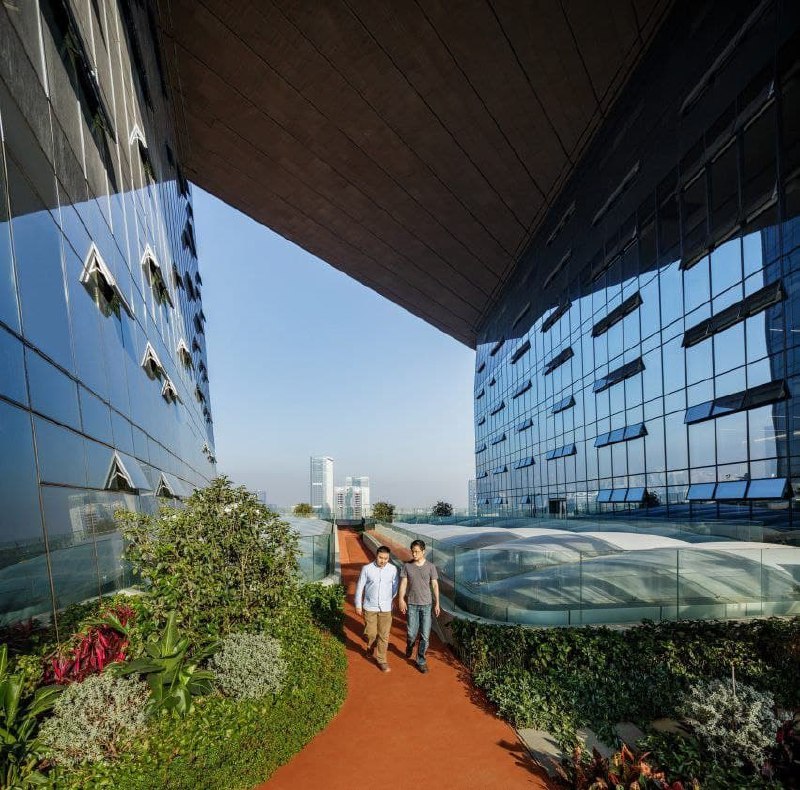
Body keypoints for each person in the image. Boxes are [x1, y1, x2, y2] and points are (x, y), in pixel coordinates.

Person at [398, 539, 440, 673]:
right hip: (412, 604)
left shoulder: (431, 567)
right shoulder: (407, 566)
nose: (414, 554)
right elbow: (403, 584)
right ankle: (409, 645)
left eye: (416, 551)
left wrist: (437, 603)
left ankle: (420, 661)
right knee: (411, 634)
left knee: (425, 636)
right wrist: (401, 599)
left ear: (423, 551)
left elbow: (435, 585)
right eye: (412, 551)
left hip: (427, 605)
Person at [354, 545, 398, 672]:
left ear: (388, 558)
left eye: (385, 558)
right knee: (371, 633)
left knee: (384, 635)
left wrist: (390, 599)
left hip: (386, 608)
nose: (383, 561)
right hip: (370, 607)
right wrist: (358, 605)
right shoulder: (367, 569)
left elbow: (395, 586)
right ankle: (370, 645)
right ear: (376, 555)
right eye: (380, 558)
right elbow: (360, 587)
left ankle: (381, 660)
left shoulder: (393, 569)